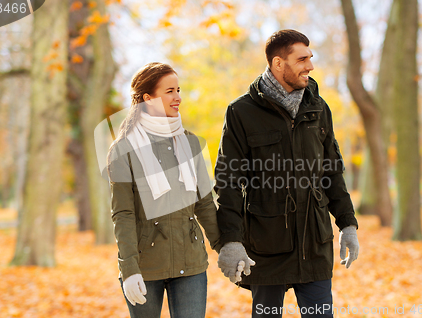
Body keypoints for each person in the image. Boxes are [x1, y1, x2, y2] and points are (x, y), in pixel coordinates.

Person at [214, 29, 360, 318]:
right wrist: (231, 241)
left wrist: (347, 224)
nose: (310, 65)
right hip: (267, 245)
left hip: (314, 243)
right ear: (278, 63)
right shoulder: (241, 112)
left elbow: (331, 172)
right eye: (302, 59)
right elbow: (228, 180)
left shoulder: (318, 108)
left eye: (310, 57)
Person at [107, 62, 222, 318]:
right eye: (170, 91)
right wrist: (129, 269)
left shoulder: (190, 143)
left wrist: (225, 247)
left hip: (191, 264)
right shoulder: (123, 149)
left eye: (178, 90)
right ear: (148, 99)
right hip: (145, 267)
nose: (178, 97)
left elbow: (204, 203)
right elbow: (123, 214)